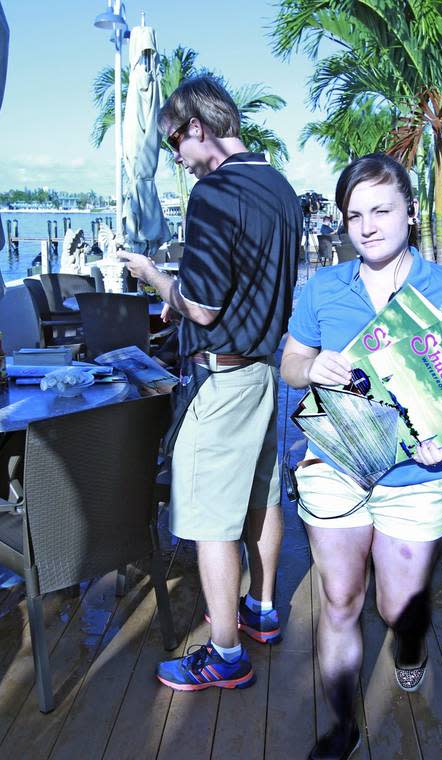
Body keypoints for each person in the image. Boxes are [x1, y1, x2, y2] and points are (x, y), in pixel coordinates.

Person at [281, 154, 442, 760]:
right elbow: (291, 362)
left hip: (416, 473)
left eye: (381, 209)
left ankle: (411, 644)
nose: (367, 225)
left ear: (409, 211)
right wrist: (309, 365)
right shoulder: (323, 287)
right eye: (354, 215)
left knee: (397, 606)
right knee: (341, 600)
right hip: (335, 464)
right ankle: (341, 725)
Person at [116, 75, 302, 692]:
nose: (174, 155)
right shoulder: (279, 187)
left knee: (209, 518)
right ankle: (262, 609)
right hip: (265, 373)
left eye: (174, 140)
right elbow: (248, 282)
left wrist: (154, 278)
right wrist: (189, 293)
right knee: (262, 496)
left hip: (223, 382)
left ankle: (224, 653)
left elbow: (201, 307)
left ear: (197, 126)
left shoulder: (213, 193)